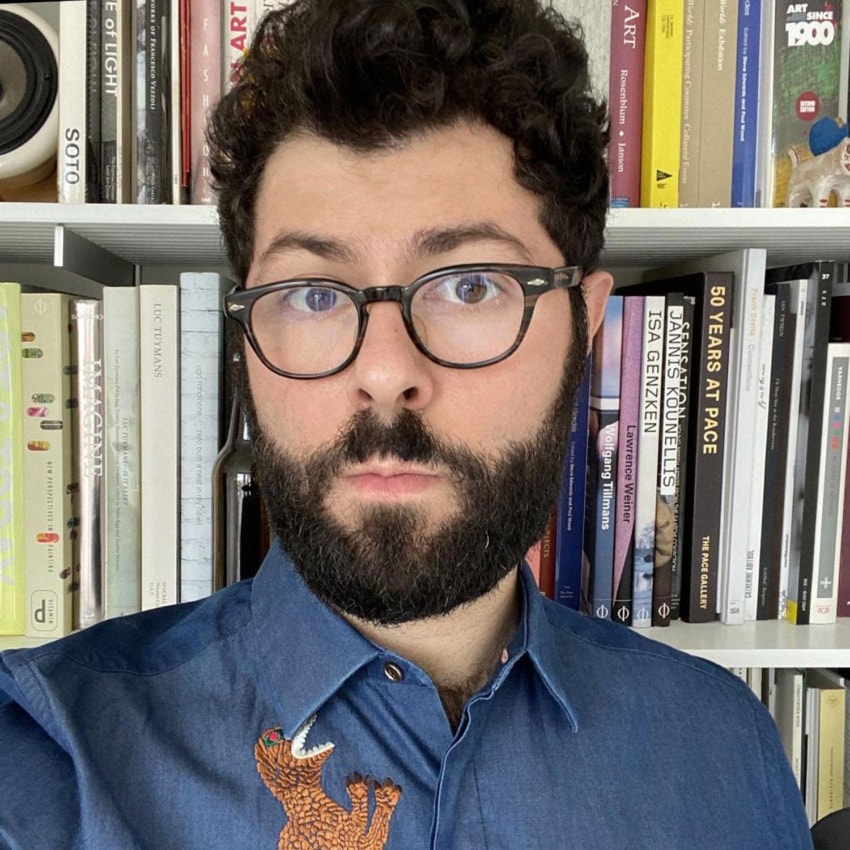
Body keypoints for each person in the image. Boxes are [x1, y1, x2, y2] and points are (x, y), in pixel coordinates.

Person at [0, 1, 812, 848]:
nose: (385, 372)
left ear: (586, 320)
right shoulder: (46, 762)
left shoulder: (724, 747)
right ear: (247, 333)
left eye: (469, 286)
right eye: (312, 294)